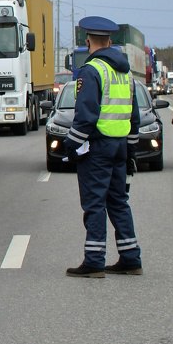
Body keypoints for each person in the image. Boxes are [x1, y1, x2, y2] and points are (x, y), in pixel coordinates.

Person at [62, 16, 143, 278]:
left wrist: (70, 146)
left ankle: (94, 261)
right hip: (119, 145)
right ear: (109, 41)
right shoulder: (125, 72)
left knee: (95, 204)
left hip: (97, 147)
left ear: (88, 42)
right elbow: (134, 117)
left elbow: (86, 116)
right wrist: (131, 151)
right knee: (119, 201)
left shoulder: (92, 70)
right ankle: (131, 258)